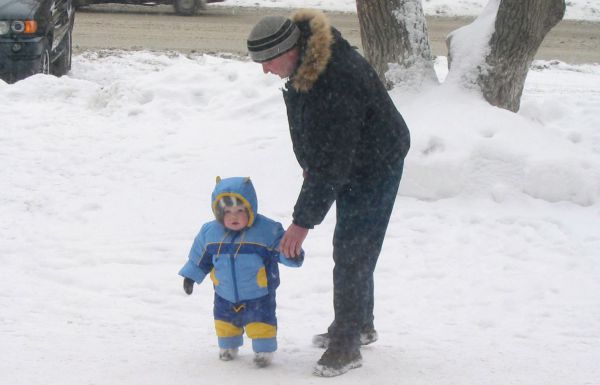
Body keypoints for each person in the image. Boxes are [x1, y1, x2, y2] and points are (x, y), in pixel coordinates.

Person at [247, 10, 411, 377]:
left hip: (376, 160)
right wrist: (308, 159)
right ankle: (360, 324)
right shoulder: (306, 63)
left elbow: (334, 161)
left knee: (353, 248)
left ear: (288, 49)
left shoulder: (336, 77)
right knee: (356, 245)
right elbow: (315, 129)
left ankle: (347, 344)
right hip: (351, 155)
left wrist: (302, 223)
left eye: (268, 61)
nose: (265, 70)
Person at [179, 176, 303, 367]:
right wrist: (190, 276)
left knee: (261, 323)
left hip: (258, 293)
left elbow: (282, 250)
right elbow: (199, 258)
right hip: (224, 293)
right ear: (219, 212)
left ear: (251, 209)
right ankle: (228, 347)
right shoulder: (209, 232)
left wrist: (292, 255)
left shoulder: (266, 231)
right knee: (225, 322)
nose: (233, 216)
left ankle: (263, 351)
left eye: (239, 211)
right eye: (227, 212)